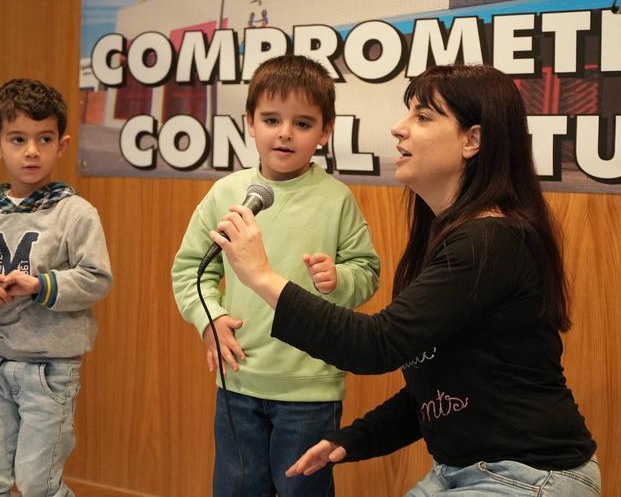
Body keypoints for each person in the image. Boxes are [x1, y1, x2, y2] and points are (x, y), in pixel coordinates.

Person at [213, 64, 600, 495]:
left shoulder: (490, 241)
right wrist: (353, 439)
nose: (399, 128)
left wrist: (261, 277)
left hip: (531, 475)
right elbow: (441, 390)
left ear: (472, 140)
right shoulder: (458, 237)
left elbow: (375, 345)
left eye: (423, 116)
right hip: (459, 470)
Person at [171, 55, 381, 496]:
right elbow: (192, 269)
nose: (285, 133)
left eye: (302, 123)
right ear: (250, 122)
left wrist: (339, 279)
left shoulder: (336, 199)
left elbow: (367, 272)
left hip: (310, 391)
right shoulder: (227, 193)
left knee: (301, 490)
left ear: (325, 131)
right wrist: (208, 319)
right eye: (271, 119)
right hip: (238, 381)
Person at [0, 78, 113, 497]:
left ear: (62, 145)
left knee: (39, 484)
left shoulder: (76, 214)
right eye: (18, 139)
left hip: (50, 372)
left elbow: (96, 279)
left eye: (44, 139)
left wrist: (40, 285)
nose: (32, 151)